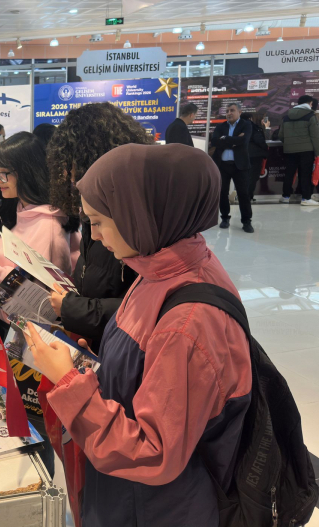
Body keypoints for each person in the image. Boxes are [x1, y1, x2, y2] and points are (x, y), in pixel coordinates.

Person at [24, 143, 251, 527]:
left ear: (141, 214)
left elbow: (154, 452)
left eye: (99, 221)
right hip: (123, 492)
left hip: (155, 508)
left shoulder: (188, 322)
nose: (94, 235)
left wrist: (67, 382)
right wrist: (94, 365)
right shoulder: (159, 270)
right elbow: (147, 371)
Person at [47, 102, 149, 353]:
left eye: (73, 165)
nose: (69, 176)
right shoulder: (91, 213)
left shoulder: (139, 223)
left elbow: (145, 306)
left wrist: (74, 309)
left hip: (125, 348)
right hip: (101, 343)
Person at [0, 132, 72, 320]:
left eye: (3, 173)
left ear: (27, 172)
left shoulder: (48, 225)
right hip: (13, 319)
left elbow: (34, 294)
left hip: (29, 326)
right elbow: (18, 262)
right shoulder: (22, 208)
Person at [210, 102, 254, 232]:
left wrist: (225, 139)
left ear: (239, 112)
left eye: (232, 110)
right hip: (222, 165)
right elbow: (215, 141)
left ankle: (246, 221)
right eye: (227, 111)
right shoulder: (221, 126)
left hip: (240, 166)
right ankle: (225, 218)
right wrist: (234, 140)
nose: (229, 113)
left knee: (243, 194)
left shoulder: (246, 125)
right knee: (222, 193)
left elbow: (243, 141)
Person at [278, 94, 319, 206]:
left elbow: (281, 135)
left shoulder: (286, 116)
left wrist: (289, 143)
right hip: (306, 151)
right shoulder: (310, 116)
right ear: (310, 103)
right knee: (305, 174)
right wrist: (317, 152)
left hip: (289, 151)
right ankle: (306, 198)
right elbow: (315, 136)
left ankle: (285, 196)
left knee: (289, 173)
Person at [241, 110, 270, 202]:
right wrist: (265, 149)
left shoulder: (237, 127)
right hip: (254, 155)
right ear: (250, 118)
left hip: (241, 154)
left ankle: (242, 195)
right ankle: (248, 196)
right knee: (253, 176)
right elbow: (260, 140)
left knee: (243, 176)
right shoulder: (253, 126)